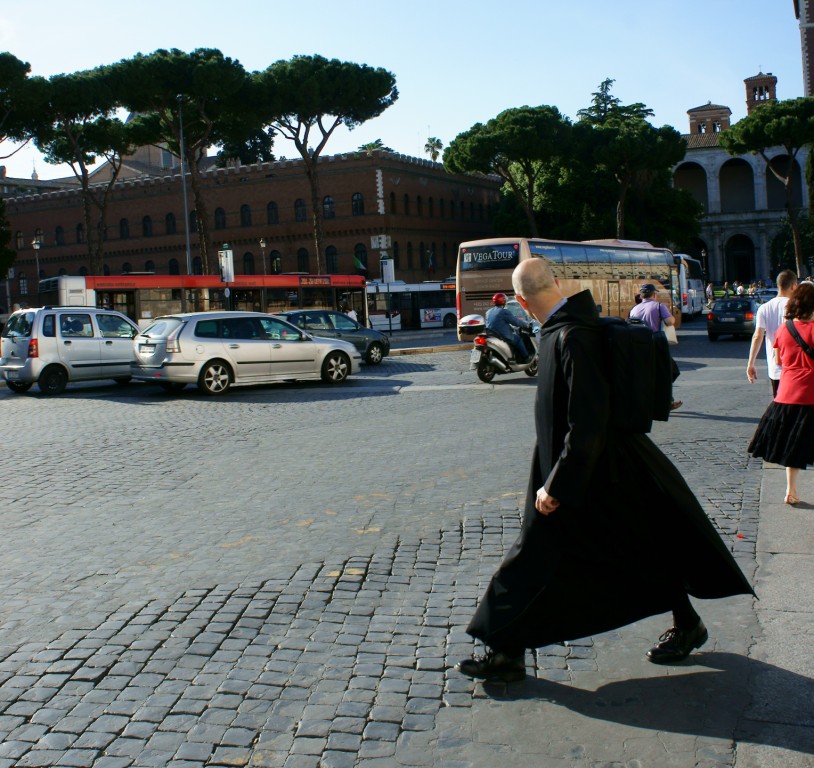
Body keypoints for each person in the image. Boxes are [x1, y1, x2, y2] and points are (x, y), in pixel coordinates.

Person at [456, 258, 752, 682]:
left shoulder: (571, 336)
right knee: (633, 547)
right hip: (594, 464)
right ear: (557, 282)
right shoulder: (577, 327)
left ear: (521, 301)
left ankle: (506, 652)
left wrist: (556, 484)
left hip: (577, 469)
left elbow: (587, 420)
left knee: (533, 558)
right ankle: (509, 649)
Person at [748, 282, 814, 505]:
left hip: (786, 393)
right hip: (811, 392)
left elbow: (778, 360)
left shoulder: (785, 329)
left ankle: (790, 491)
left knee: (792, 445)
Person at [629, 283, 682, 411]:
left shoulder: (634, 309)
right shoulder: (659, 306)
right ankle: (665, 401)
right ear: (654, 294)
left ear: (642, 296)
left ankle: (656, 400)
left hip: (639, 346)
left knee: (648, 374)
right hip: (656, 345)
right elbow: (670, 322)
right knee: (671, 371)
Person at [746, 269, 797, 397]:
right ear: (793, 286)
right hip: (794, 367)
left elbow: (758, 336)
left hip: (775, 368)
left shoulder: (764, 308)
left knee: (780, 406)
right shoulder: (796, 306)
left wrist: (751, 363)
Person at [485, 292, 532, 363]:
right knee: (518, 339)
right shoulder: (504, 312)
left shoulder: (488, 312)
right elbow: (516, 322)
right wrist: (527, 324)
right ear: (503, 301)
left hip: (492, 335)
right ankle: (526, 357)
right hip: (502, 336)